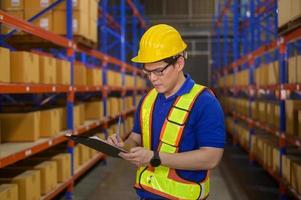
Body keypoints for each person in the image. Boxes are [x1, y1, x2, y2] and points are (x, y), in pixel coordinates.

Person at [108, 24, 225, 200]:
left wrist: (155, 157)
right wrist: (122, 147)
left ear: (179, 63)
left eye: (158, 71)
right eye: (147, 72)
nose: (153, 78)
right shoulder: (148, 100)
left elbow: (211, 157)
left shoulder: (204, 102)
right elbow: (135, 138)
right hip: (145, 195)